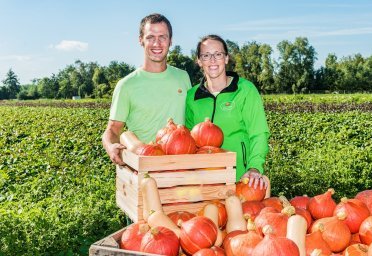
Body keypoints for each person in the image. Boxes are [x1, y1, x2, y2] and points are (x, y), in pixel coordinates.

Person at [102, 13, 191, 166]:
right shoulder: (126, 85)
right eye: (150, 37)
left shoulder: (183, 77)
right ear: (140, 40)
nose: (157, 43)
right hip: (144, 168)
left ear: (170, 41)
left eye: (163, 37)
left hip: (182, 168)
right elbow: (113, 130)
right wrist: (110, 146)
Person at [185, 35, 270, 189]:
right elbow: (189, 141)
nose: (212, 60)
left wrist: (254, 167)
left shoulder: (245, 90)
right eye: (206, 55)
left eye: (218, 54)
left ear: (226, 58)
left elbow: (259, 133)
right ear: (199, 61)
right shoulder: (192, 96)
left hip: (241, 178)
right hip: (204, 182)